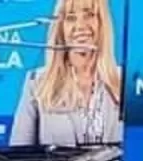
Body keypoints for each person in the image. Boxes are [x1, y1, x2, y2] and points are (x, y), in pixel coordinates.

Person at [10, 0, 123, 147]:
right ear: (61, 28)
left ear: (102, 22)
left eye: (89, 15)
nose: (81, 26)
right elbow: (19, 157)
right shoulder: (37, 83)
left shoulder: (125, 83)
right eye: (71, 18)